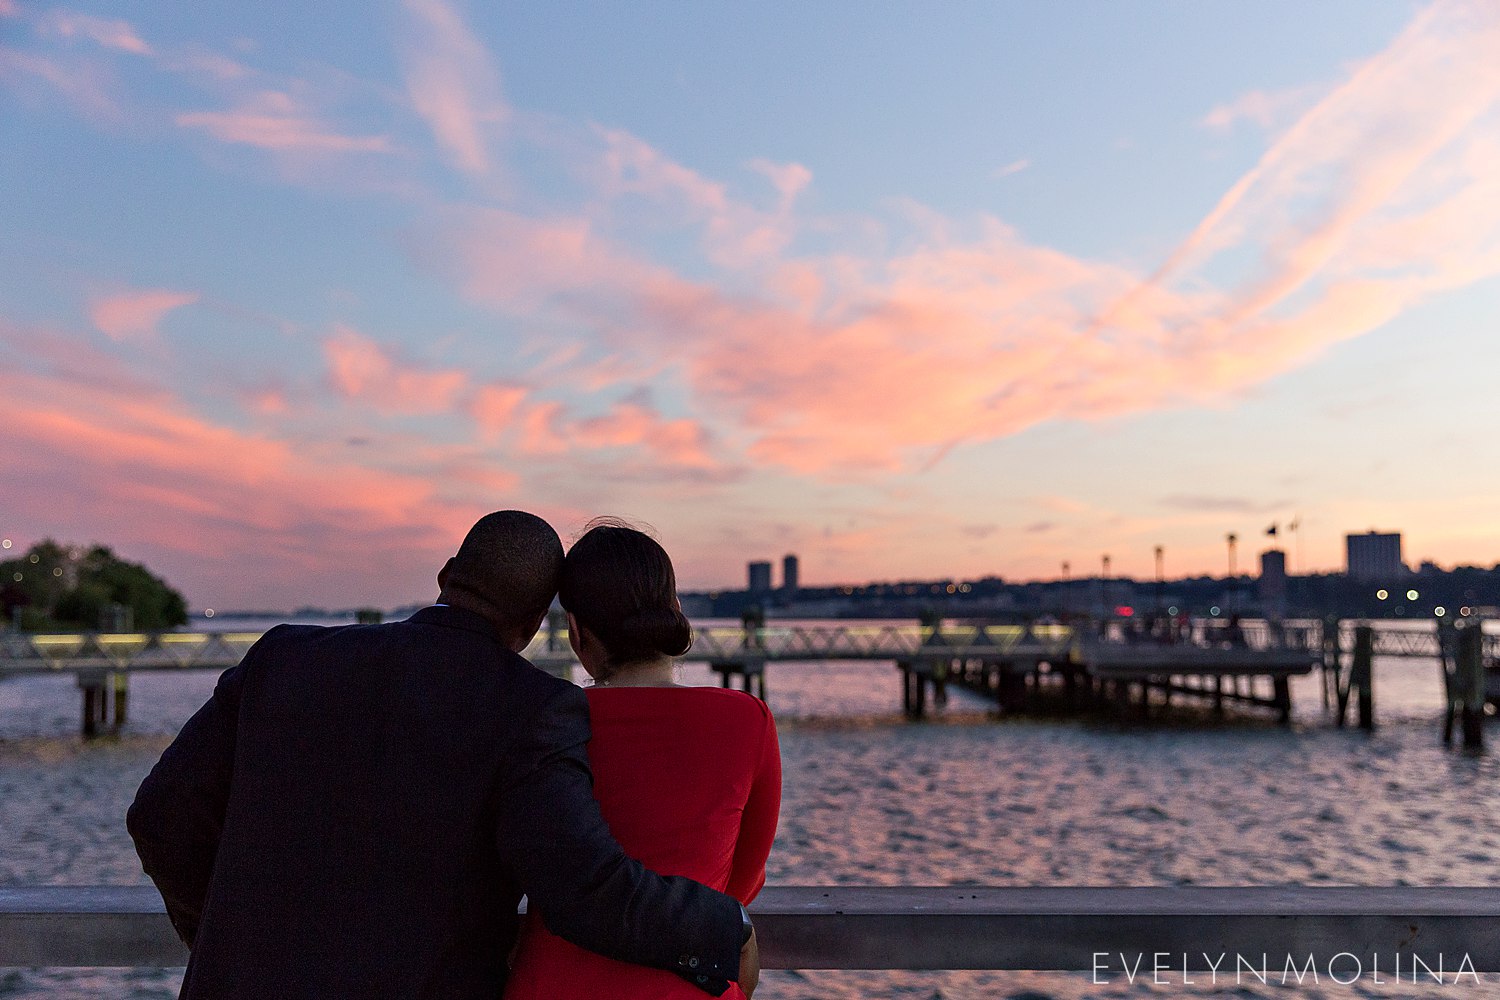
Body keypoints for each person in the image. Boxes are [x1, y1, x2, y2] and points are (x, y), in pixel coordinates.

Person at [126, 510, 756, 1000]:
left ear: (446, 576)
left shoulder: (284, 656)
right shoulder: (531, 708)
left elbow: (159, 815)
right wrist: (724, 928)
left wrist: (220, 935)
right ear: (539, 622)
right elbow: (581, 888)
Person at [506, 519, 781, 1000]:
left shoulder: (544, 722)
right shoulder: (746, 721)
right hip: (688, 986)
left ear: (576, 631)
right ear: (674, 610)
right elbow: (745, 879)